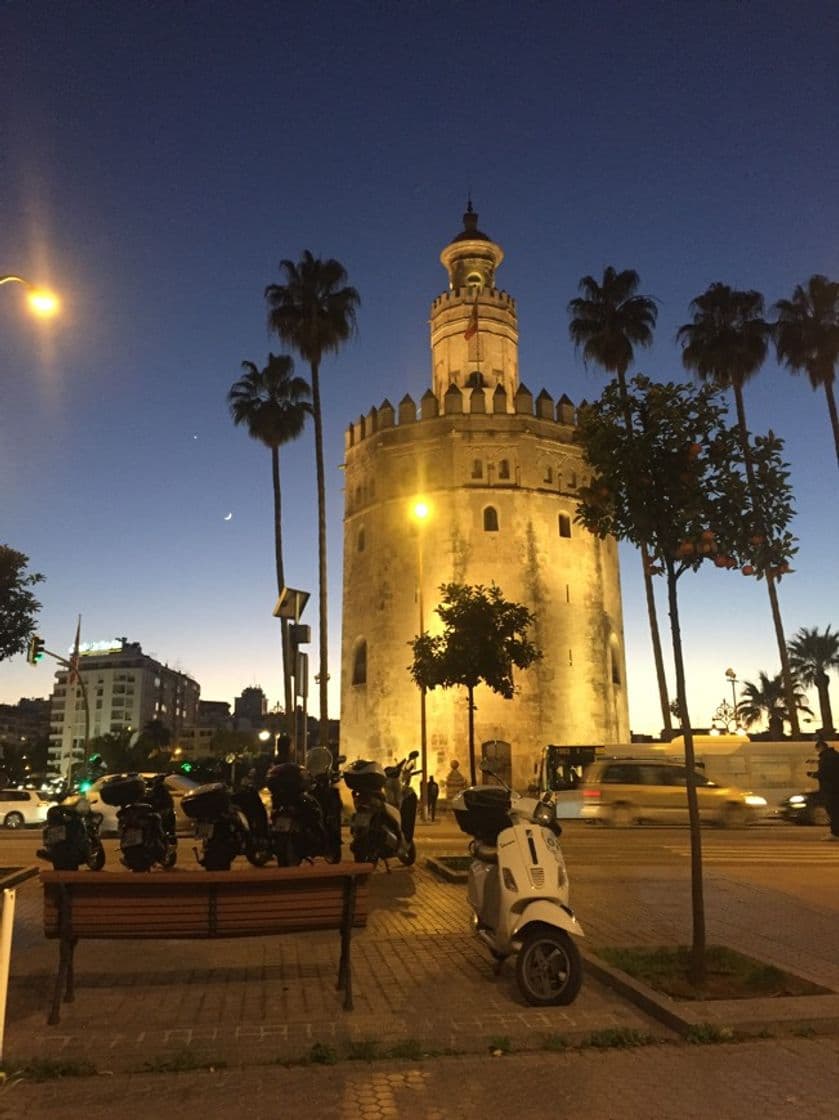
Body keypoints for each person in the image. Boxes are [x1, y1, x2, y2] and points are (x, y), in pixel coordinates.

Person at [810, 738, 839, 839]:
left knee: (833, 811)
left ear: (820, 748)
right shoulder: (836, 755)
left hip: (831, 789)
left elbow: (825, 773)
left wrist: (814, 774)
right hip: (836, 788)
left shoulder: (825, 758)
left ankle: (835, 833)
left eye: (817, 749)